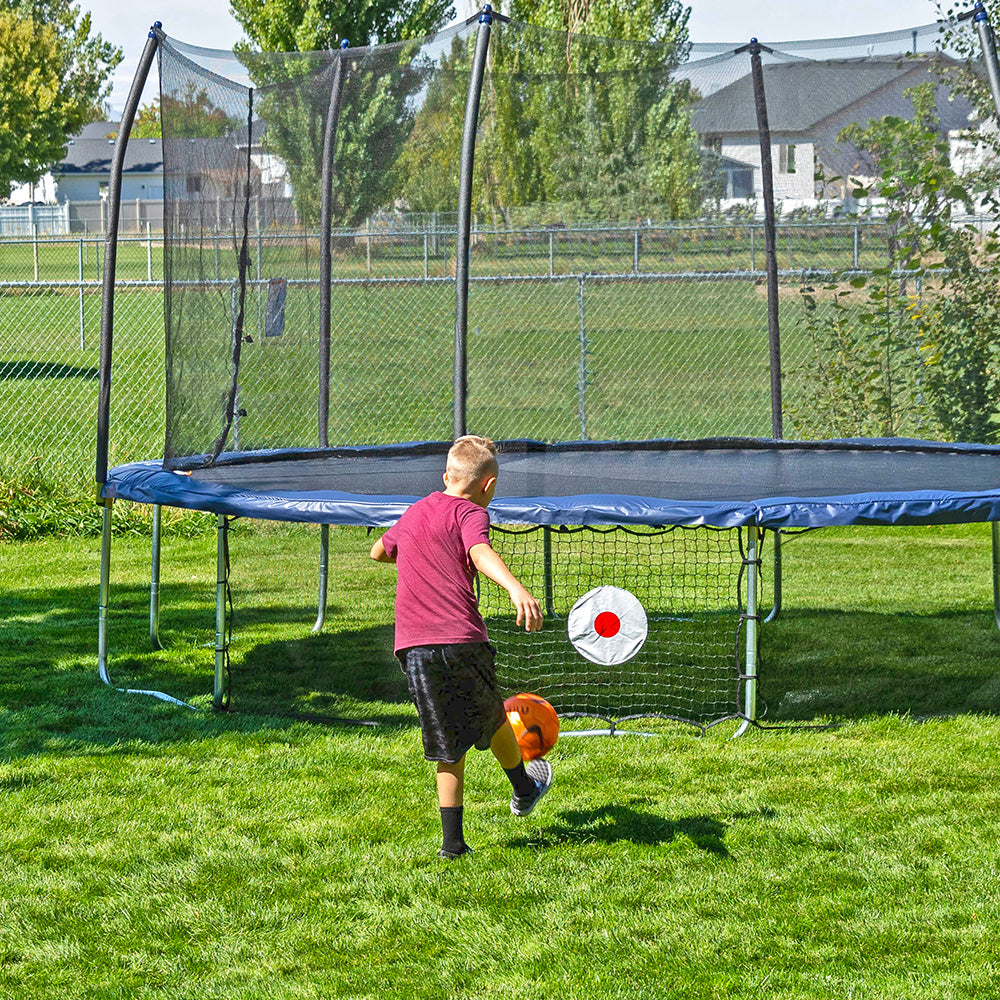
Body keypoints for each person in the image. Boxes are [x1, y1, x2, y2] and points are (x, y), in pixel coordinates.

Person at [370, 435, 552, 859]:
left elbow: (378, 551)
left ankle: (453, 846)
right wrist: (515, 587)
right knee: (493, 719)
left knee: (447, 745)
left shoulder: (415, 513)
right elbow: (478, 549)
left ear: (446, 476)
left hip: (414, 649)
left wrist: (407, 546)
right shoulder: (470, 512)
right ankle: (524, 789)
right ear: (488, 486)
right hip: (462, 640)